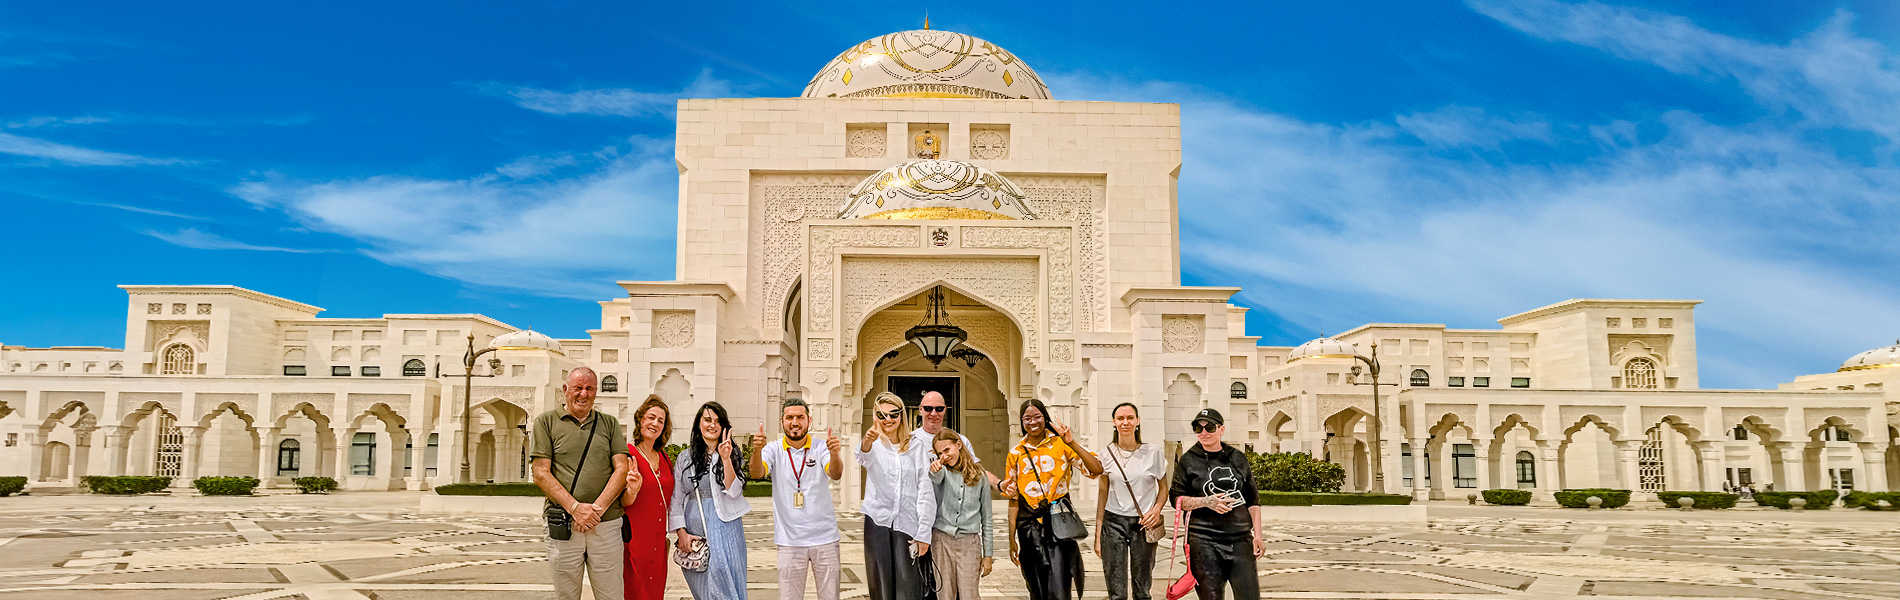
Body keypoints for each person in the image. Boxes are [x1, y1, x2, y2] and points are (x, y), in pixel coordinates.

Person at [530, 367, 632, 600]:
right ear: (565, 390)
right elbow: (541, 473)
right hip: (564, 525)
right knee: (567, 595)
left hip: (605, 525)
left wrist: (595, 510)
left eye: (589, 388)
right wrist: (576, 509)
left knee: (612, 595)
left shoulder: (609, 423)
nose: (583, 394)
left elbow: (621, 468)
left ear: (596, 392)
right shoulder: (546, 422)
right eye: (578, 388)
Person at [1000, 398, 1103, 600]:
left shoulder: (1061, 445)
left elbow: (1096, 469)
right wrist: (1012, 539)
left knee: (1059, 584)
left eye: (1037, 416)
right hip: (1028, 527)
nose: (1032, 422)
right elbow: (1013, 499)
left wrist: (1071, 442)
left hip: (1058, 523)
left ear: (1045, 418)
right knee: (1036, 585)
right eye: (1027, 418)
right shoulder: (1016, 453)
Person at [747, 398, 846, 600]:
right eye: (789, 417)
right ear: (782, 421)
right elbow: (757, 473)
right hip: (789, 541)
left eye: (800, 417)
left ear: (809, 421)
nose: (795, 422)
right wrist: (757, 450)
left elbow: (835, 474)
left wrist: (835, 453)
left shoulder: (820, 447)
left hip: (824, 538)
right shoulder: (773, 449)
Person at [1168, 408, 1262, 600]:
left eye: (1209, 427)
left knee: (1249, 595)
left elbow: (1253, 499)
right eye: (1198, 428)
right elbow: (1175, 499)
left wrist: (1258, 535)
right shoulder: (1188, 460)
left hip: (1240, 539)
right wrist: (1206, 502)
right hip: (1203, 540)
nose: (1204, 433)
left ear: (1221, 429)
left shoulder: (1237, 458)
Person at [856, 392, 937, 600]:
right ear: (875, 416)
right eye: (882, 415)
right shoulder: (873, 444)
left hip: (908, 523)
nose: (888, 420)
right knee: (881, 588)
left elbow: (925, 489)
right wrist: (867, 440)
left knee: (909, 588)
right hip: (877, 523)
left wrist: (924, 533)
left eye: (893, 414)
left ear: (902, 416)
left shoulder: (916, 446)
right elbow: (862, 456)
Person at [669, 402, 750, 600]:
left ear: (723, 426)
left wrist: (726, 459)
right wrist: (681, 532)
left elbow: (734, 491)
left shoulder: (732, 453)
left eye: (717, 421)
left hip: (726, 525)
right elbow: (677, 498)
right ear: (699, 423)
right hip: (694, 527)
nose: (712, 425)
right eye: (707, 419)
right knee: (700, 578)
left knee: (724, 572)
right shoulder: (685, 458)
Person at [1094, 403, 1167, 600]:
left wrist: (1157, 509)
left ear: (1137, 421)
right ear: (1113, 422)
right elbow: (1102, 494)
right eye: (1120, 418)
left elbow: (1163, 488)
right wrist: (1098, 531)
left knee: (1142, 587)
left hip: (1143, 523)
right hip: (1113, 521)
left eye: (1130, 418)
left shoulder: (1152, 452)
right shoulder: (1106, 454)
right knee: (1116, 589)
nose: (1125, 422)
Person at [929, 428, 994, 600]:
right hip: (942, 541)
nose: (944, 456)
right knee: (945, 595)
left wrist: (988, 555)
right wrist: (935, 469)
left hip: (969, 544)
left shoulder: (980, 475)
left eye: (947, 450)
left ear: (958, 444)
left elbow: (987, 518)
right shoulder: (942, 471)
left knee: (969, 595)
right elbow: (935, 477)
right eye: (939, 453)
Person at [620, 396, 675, 600]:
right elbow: (622, 501)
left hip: (658, 542)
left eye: (661, 420)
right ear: (640, 420)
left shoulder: (664, 457)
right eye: (651, 417)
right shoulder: (628, 454)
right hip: (635, 540)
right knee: (635, 591)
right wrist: (632, 490)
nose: (655, 423)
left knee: (655, 592)